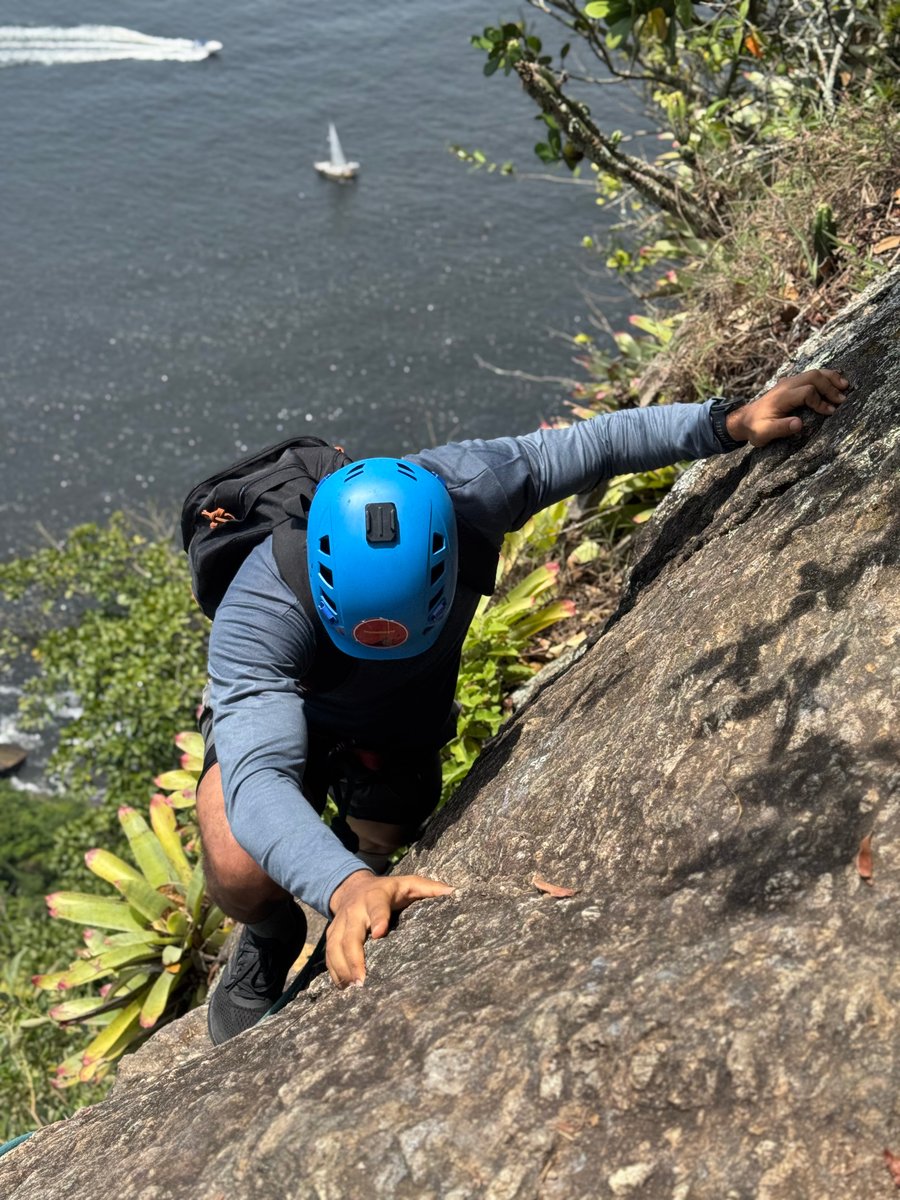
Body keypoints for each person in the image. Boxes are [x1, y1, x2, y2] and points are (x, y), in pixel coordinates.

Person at [197, 369, 849, 1044]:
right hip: (298, 709)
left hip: (396, 724)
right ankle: (270, 934)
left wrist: (727, 422)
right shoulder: (262, 604)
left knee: (387, 835)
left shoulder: (473, 489)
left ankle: (350, 848)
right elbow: (258, 777)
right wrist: (342, 888)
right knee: (239, 856)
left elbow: (595, 445)